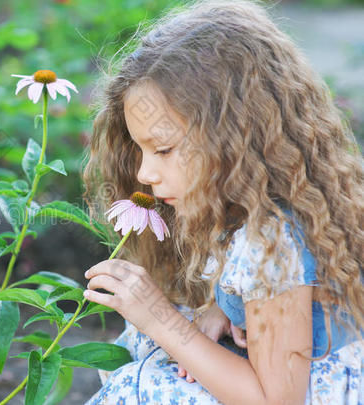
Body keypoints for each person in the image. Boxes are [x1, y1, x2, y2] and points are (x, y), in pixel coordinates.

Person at [80, 0, 364, 403]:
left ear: (234, 141)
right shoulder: (254, 207)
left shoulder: (271, 238)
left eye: (162, 150)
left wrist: (160, 318)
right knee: (151, 345)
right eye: (140, 151)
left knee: (144, 381)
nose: (144, 174)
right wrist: (225, 311)